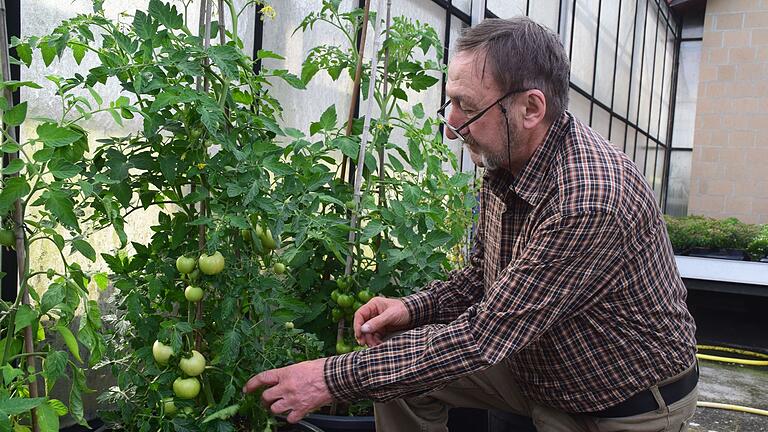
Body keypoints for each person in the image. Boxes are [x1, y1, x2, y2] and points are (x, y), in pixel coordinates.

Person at [243, 16, 698, 432]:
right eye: (451, 103)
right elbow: (481, 275)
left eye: (467, 106)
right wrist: (412, 309)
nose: (450, 125)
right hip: (538, 367)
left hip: (618, 402)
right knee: (398, 377)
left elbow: (485, 336)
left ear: (531, 108)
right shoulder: (508, 159)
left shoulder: (589, 197)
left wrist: (328, 378)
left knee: (391, 370)